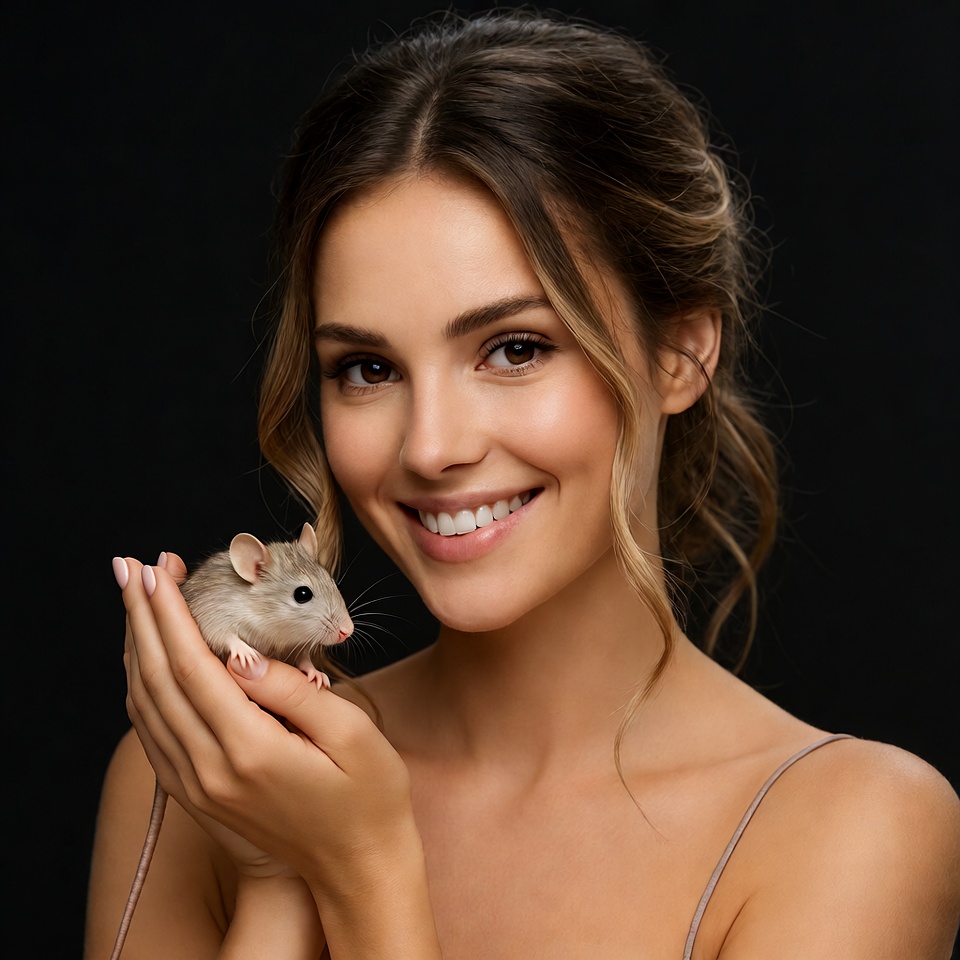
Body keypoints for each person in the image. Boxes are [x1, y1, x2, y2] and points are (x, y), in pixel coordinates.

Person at [85, 9, 960, 958]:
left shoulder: (854, 828)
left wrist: (364, 870)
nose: (432, 446)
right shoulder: (204, 770)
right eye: (368, 369)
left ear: (680, 352)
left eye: (514, 348)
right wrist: (272, 876)